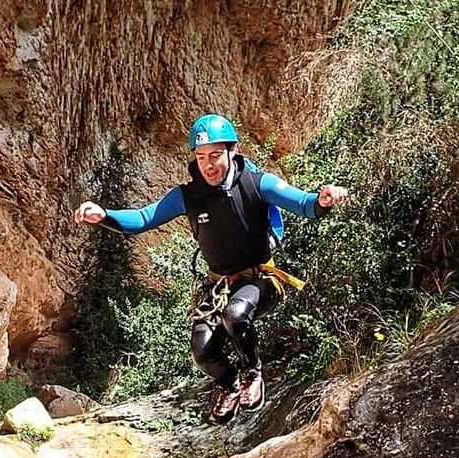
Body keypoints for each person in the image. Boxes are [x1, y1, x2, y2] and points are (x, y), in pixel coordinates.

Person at [74, 113, 348, 424]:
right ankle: (229, 383)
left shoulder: (258, 183)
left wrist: (323, 200)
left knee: (235, 314)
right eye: (201, 156)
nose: (208, 164)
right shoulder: (188, 196)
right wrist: (104, 214)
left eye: (215, 155)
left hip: (261, 280)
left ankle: (252, 373)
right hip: (219, 284)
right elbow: (143, 219)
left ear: (233, 151)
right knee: (202, 350)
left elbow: (303, 203)